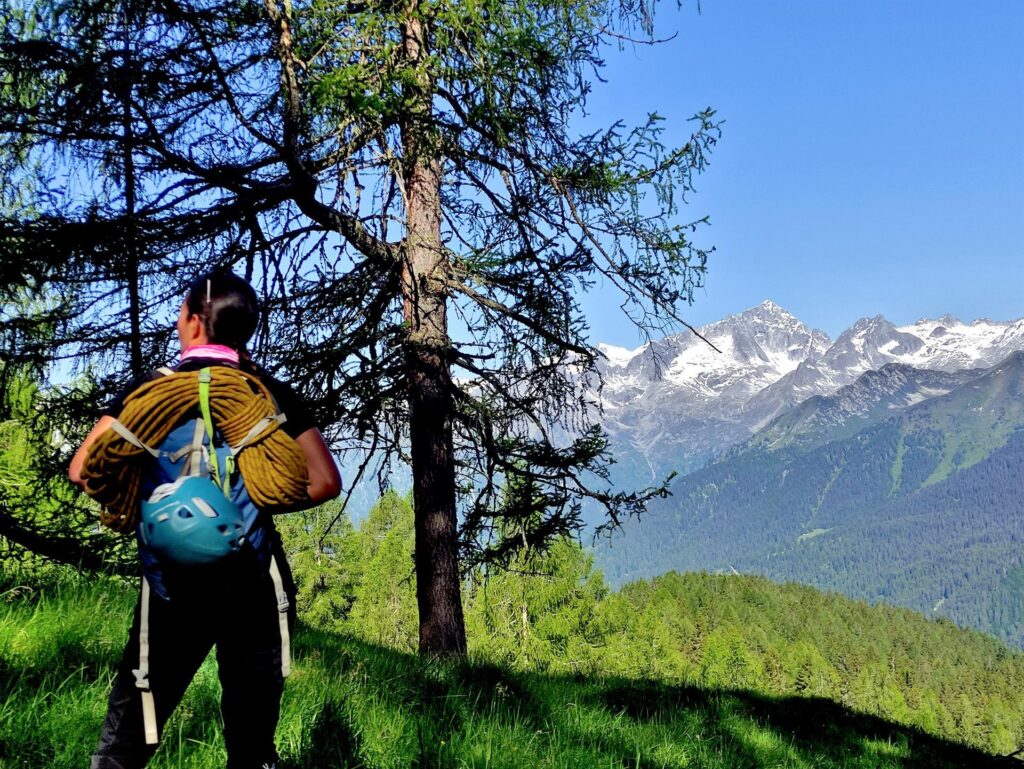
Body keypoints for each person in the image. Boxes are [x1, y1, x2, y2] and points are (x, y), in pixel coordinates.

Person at [69, 270, 341, 769]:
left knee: (131, 732)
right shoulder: (269, 395)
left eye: (181, 313)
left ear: (194, 322)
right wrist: (261, 495)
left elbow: (84, 469)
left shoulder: (149, 392)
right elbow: (324, 481)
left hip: (169, 583)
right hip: (252, 580)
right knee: (251, 737)